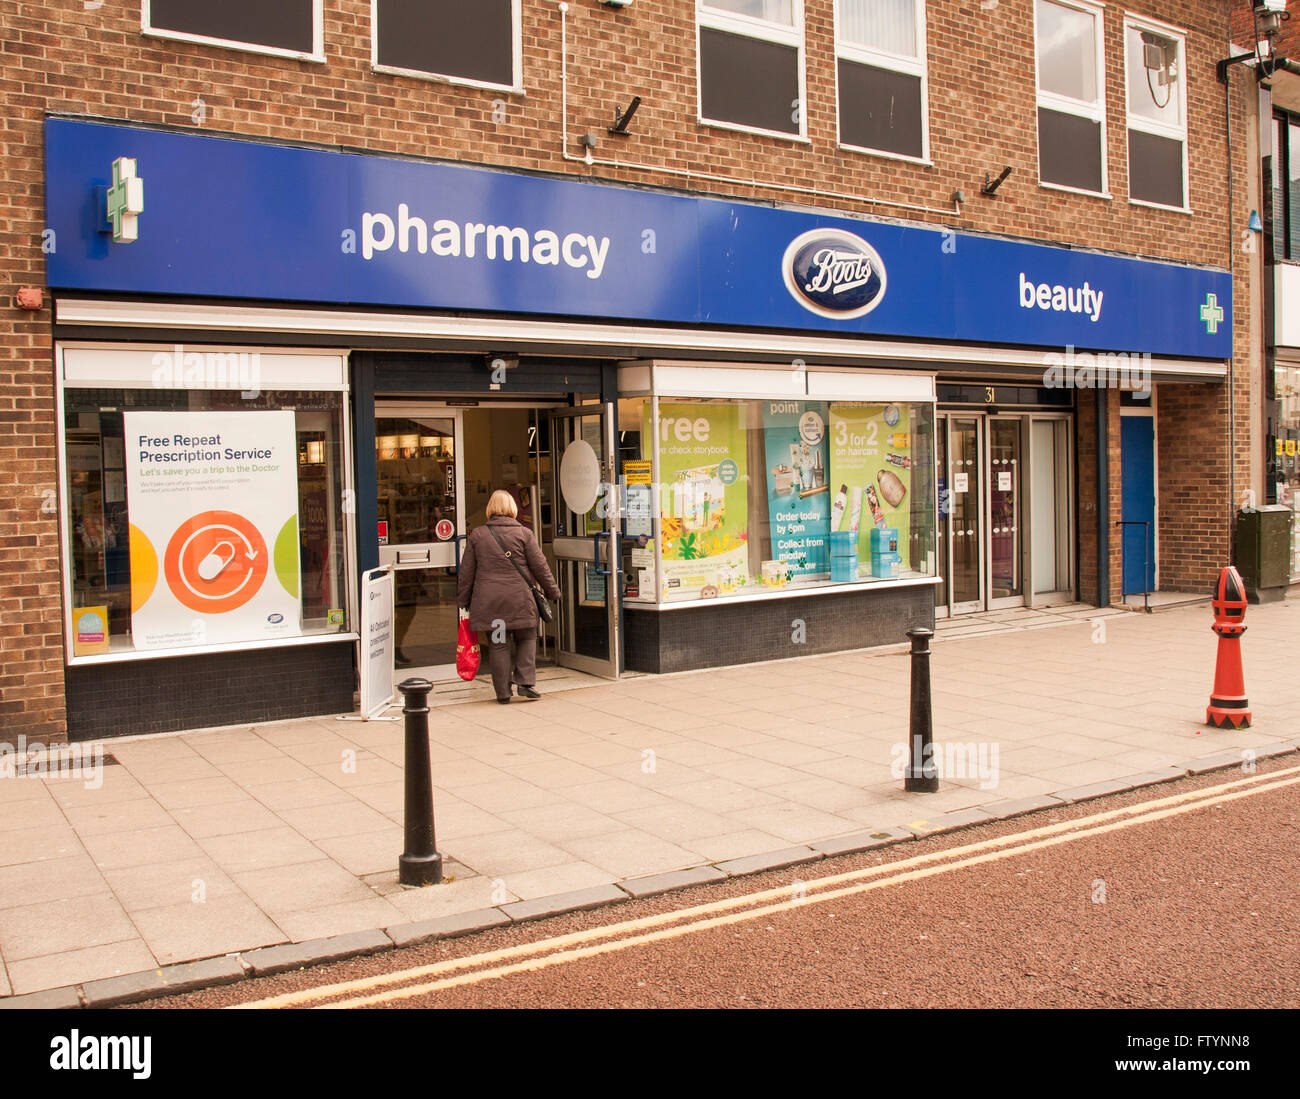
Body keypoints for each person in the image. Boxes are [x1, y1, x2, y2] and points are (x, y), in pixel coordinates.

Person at [457, 489, 561, 704]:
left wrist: (463, 600)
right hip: (520, 600)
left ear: (490, 509)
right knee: (527, 638)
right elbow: (540, 567)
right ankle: (525, 683)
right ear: (512, 508)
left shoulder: (477, 535)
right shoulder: (524, 534)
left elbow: (466, 572)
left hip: (491, 604)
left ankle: (502, 693)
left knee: (499, 645)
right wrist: (553, 591)